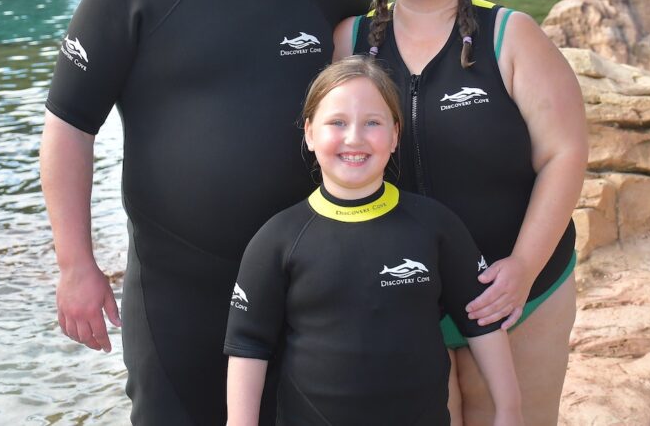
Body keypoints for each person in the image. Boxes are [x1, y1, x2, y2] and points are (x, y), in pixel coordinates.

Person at [40, 0, 369, 425]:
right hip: (174, 299)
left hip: (305, 289)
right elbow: (68, 130)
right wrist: (76, 265)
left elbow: (405, 80)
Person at [333, 0, 588, 426]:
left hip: (519, 297)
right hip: (402, 300)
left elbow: (565, 154)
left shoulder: (511, 37)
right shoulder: (350, 43)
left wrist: (523, 266)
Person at [224, 56, 524, 426]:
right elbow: (248, 346)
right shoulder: (277, 240)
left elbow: (481, 320)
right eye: (337, 122)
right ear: (309, 133)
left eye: (372, 123)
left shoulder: (435, 226)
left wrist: (510, 409)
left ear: (395, 135)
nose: (355, 137)